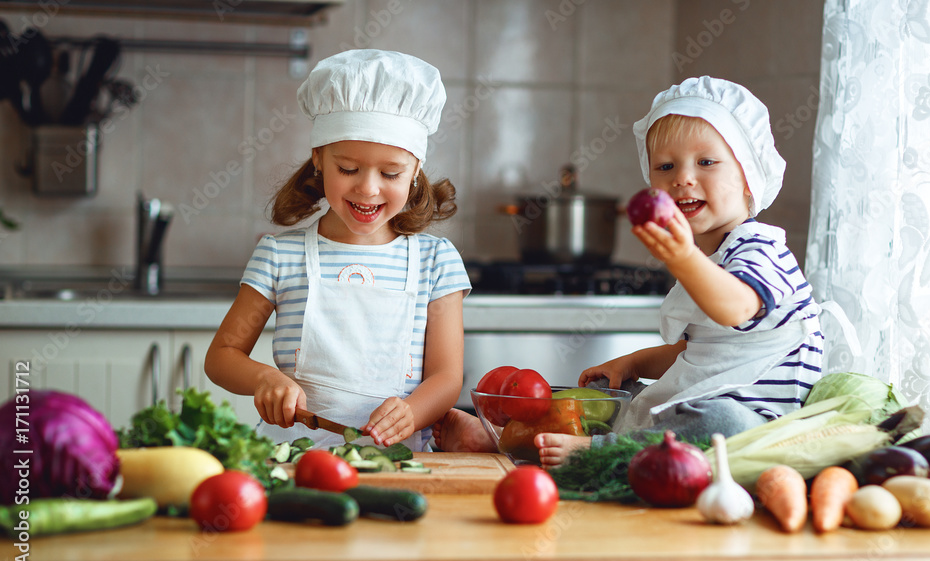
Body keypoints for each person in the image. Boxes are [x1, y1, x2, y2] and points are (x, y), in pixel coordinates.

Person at [434, 76, 823, 467]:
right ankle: (512, 439)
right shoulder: (708, 256)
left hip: (757, 427)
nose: (682, 178)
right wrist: (633, 363)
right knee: (614, 394)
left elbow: (735, 308)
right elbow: (700, 354)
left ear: (749, 176)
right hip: (704, 401)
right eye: (665, 166)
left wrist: (684, 259)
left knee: (723, 421)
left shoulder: (760, 247)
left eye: (706, 162)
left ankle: (592, 453)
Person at [206, 49, 471, 452]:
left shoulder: (436, 262)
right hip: (293, 460)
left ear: (416, 168)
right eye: (348, 168)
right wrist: (264, 378)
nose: (367, 187)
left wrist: (413, 413)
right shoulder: (280, 255)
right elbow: (222, 356)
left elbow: (447, 376)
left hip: (399, 464)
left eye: (391, 173)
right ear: (318, 158)